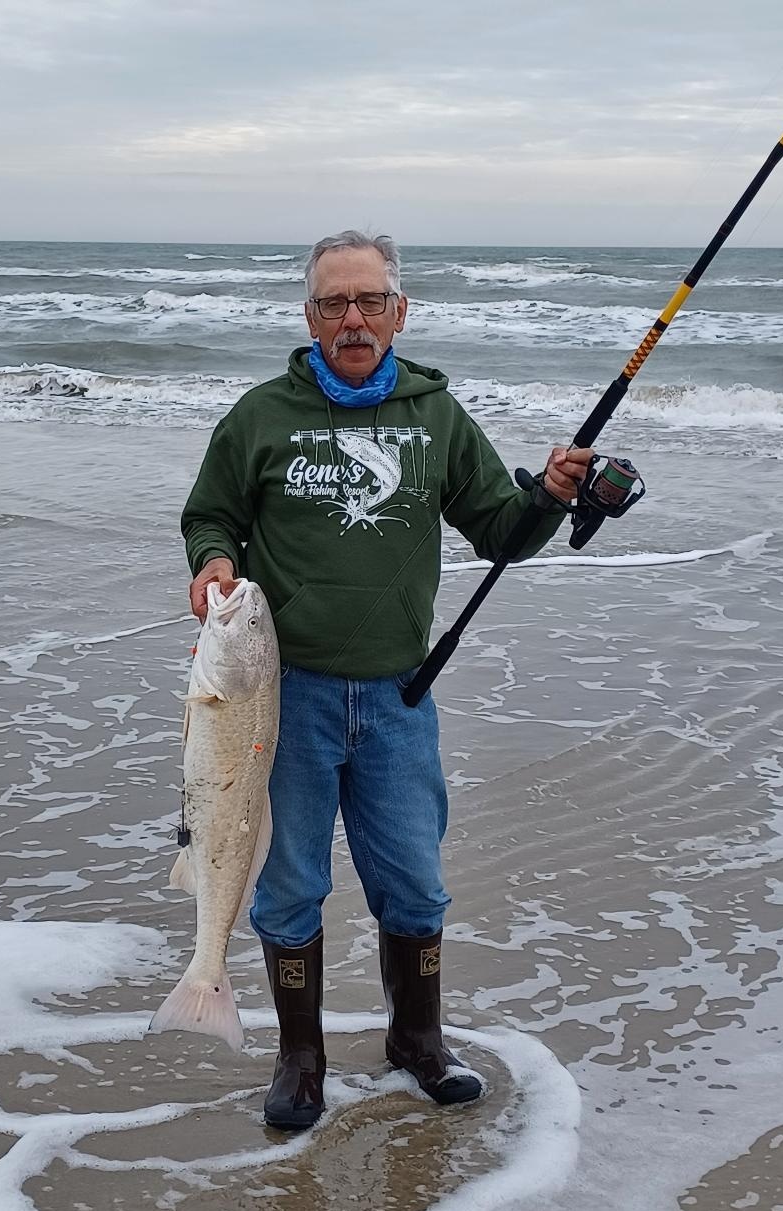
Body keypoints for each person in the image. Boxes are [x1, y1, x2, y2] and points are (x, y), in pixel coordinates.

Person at [181, 230, 596, 1130]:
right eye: (334, 304)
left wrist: (551, 498)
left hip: (401, 699)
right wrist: (213, 561)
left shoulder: (436, 418)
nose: (353, 320)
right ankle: (301, 1056)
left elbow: (501, 531)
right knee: (288, 883)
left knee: (414, 880)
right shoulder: (259, 417)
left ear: (400, 312)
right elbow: (211, 514)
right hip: (278, 703)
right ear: (309, 316)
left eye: (370, 301)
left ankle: (418, 1039)